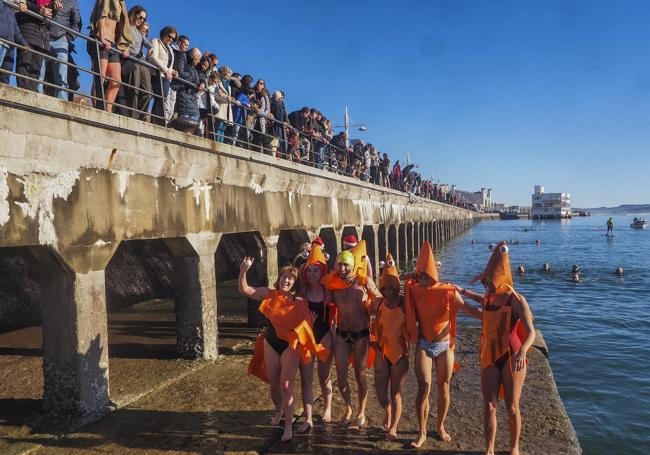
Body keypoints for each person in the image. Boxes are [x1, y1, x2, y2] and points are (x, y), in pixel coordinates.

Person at [239, 257, 327, 442]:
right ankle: (280, 409)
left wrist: (308, 324)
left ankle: (288, 426)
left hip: (290, 345)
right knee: (274, 384)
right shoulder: (269, 294)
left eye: (290, 278)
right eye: (284, 277)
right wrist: (243, 271)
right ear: (279, 279)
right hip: (271, 342)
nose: (286, 280)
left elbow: (306, 325)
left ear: (295, 283)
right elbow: (245, 290)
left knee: (286, 385)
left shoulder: (299, 301)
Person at [405, 241, 482, 448]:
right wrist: (411, 277)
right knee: (423, 387)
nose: (421, 279)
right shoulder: (414, 290)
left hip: (444, 346)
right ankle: (421, 432)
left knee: (444, 387)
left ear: (433, 275)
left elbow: (470, 310)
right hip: (424, 343)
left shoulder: (448, 292)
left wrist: (493, 318)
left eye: (424, 275)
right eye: (419, 275)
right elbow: (395, 283)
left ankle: (440, 426)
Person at [461, 242, 536, 455]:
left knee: (512, 406)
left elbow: (531, 331)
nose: (486, 286)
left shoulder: (517, 300)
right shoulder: (489, 296)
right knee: (490, 405)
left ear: (501, 278)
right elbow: (483, 303)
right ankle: (490, 449)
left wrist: (523, 351)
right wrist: (463, 292)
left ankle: (514, 447)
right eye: (485, 282)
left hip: (512, 355)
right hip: (489, 355)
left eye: (489, 281)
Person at [321, 242, 382, 429]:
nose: (343, 268)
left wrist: (377, 310)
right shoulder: (333, 285)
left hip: (361, 334)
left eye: (346, 264)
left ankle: (361, 413)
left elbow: (380, 298)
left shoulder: (363, 281)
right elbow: (322, 301)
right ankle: (348, 407)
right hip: (341, 333)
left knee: (360, 375)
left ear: (353, 266)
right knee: (340, 376)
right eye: (340, 264)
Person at [295, 243, 334, 429]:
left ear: (322, 272)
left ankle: (327, 407)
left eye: (316, 271)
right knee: (306, 379)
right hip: (307, 337)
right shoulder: (303, 292)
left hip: (325, 334)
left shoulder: (328, 292)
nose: (312, 274)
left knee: (324, 377)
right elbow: (294, 313)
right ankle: (308, 418)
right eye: (309, 271)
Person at [371, 253, 409, 440]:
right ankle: (388, 410)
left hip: (400, 352)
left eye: (391, 287)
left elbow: (422, 294)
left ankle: (394, 427)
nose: (387, 291)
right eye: (384, 287)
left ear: (397, 287)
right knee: (379, 389)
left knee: (396, 392)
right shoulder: (378, 303)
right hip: (381, 350)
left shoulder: (405, 303)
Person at [88, 0, 132, 112]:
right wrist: (101, 37)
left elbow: (122, 25)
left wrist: (124, 46)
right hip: (102, 39)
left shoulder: (122, 4)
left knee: (116, 81)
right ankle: (96, 108)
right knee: (100, 76)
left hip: (113, 44)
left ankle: (107, 110)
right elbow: (101, 15)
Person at [44, 0, 80, 100]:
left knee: (61, 75)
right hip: (43, 36)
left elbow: (77, 22)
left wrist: (68, 37)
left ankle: (61, 102)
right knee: (40, 72)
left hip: (61, 39)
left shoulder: (72, 2)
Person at [118, 5, 149, 119]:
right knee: (133, 89)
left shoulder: (138, 32)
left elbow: (146, 42)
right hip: (128, 60)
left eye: (144, 19)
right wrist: (124, 48)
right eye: (140, 17)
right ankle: (133, 117)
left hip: (138, 60)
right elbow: (120, 38)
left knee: (147, 92)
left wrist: (151, 48)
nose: (141, 20)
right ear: (133, 14)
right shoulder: (126, 25)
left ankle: (141, 117)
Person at [15, 0, 52, 93]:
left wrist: (55, 8)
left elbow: (51, 14)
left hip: (41, 36)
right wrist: (39, 10)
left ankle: (32, 95)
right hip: (27, 31)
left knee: (35, 70)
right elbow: (24, 3)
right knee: (24, 66)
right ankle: (23, 95)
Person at [147, 25, 176, 125]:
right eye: (169, 36)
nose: (170, 39)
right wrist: (166, 70)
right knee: (155, 98)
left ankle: (157, 122)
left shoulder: (171, 49)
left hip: (166, 78)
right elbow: (153, 58)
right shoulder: (155, 41)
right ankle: (153, 120)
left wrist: (172, 71)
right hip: (156, 74)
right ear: (164, 34)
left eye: (173, 38)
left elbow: (170, 64)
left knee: (162, 100)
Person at [0, 0, 28, 73]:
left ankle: (3, 84)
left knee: (6, 71)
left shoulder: (11, 11)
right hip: (1, 41)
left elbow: (16, 30)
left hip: (10, 45)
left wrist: (23, 42)